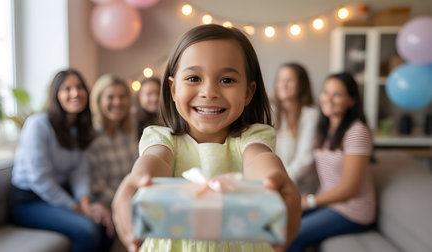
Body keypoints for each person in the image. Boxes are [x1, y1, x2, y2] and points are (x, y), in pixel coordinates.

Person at [112, 24, 301, 252]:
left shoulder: (251, 137)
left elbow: (259, 159)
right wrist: (138, 179)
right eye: (193, 78)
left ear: (249, 92)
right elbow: (155, 161)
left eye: (227, 80)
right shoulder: (163, 139)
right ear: (173, 89)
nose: (209, 92)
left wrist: (274, 178)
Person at [10, 69, 113, 252]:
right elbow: (40, 179)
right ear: (56, 95)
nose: (75, 93)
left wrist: (85, 203)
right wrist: (76, 208)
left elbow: (79, 171)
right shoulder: (37, 125)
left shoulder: (78, 128)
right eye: (67, 88)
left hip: (61, 194)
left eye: (79, 87)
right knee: (87, 229)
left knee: (105, 220)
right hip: (29, 201)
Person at [286, 72, 376, 251]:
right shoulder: (325, 128)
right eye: (326, 92)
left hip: (352, 211)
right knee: (278, 221)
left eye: (338, 94)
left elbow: (350, 188)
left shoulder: (356, 132)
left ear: (351, 101)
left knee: (289, 235)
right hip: (330, 203)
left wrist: (310, 201)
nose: (329, 99)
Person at [88, 74, 138, 233]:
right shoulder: (91, 136)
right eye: (110, 97)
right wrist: (125, 203)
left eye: (122, 97)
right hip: (108, 203)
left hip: (132, 200)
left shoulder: (128, 132)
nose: (117, 102)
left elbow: (136, 171)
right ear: (99, 101)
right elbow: (97, 186)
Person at [273, 63, 319, 194]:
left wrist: (280, 179)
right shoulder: (271, 112)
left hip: (301, 188)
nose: (283, 84)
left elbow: (305, 159)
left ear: (301, 85)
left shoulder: (310, 115)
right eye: (280, 80)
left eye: (289, 80)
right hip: (274, 183)